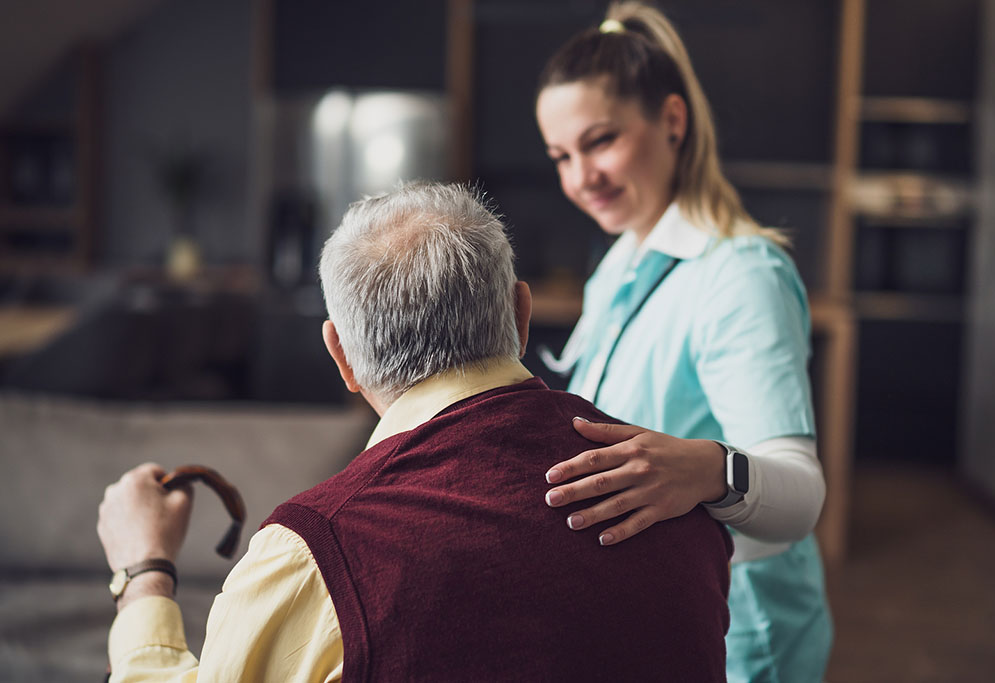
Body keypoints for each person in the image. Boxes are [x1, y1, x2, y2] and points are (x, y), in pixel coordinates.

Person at [97, 182, 733, 682]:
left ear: (340, 357)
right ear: (521, 312)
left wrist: (144, 572)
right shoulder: (671, 493)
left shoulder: (312, 557)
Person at [533, 3, 833, 681]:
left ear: (672, 120)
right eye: (561, 156)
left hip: (741, 629)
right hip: (661, 609)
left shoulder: (740, 274)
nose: (581, 176)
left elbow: (803, 497)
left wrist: (711, 470)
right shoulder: (622, 259)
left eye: (600, 140)